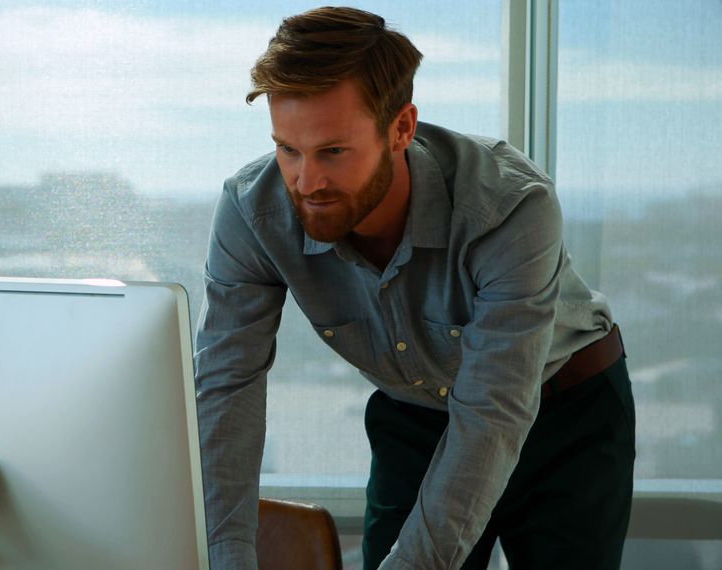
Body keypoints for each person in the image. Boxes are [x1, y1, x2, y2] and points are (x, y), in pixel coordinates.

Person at [194, 7, 635, 570]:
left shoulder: (509, 206)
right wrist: (227, 559)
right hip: (417, 417)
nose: (306, 182)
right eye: (288, 149)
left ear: (401, 127)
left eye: (333, 151)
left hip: (566, 413)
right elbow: (226, 387)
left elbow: (492, 411)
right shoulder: (251, 212)